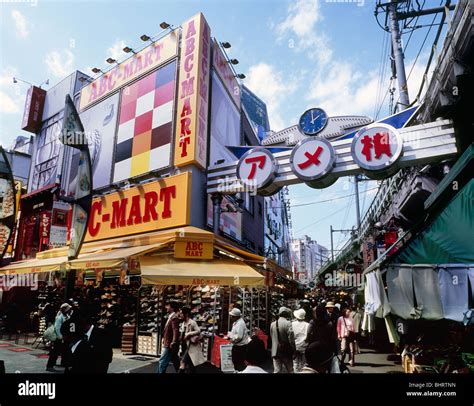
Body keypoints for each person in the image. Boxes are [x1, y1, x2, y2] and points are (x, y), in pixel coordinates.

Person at [179, 306, 206, 373]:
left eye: (182, 313)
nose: (180, 315)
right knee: (191, 366)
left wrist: (189, 334)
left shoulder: (192, 322)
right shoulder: (183, 323)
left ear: (186, 314)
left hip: (191, 347)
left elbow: (198, 331)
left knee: (182, 362)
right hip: (185, 346)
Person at [46, 303, 72, 372]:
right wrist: (60, 337)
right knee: (55, 352)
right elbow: (57, 328)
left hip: (63, 337)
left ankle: (63, 363)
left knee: (62, 351)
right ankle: (50, 365)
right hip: (59, 338)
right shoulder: (59, 317)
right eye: (68, 309)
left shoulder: (66, 316)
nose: (70, 310)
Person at [158, 301, 181, 374]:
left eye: (168, 306)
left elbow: (175, 331)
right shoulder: (171, 316)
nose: (166, 307)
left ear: (172, 308)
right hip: (169, 342)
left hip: (169, 344)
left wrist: (173, 342)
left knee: (162, 361)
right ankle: (181, 371)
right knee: (175, 359)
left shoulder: (174, 318)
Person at [270, 307, 295, 373]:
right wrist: (294, 349)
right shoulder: (288, 323)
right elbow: (291, 339)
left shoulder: (272, 324)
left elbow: (271, 336)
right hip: (285, 351)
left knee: (277, 370)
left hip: (275, 351)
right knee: (290, 370)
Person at [226, 307, 250, 372]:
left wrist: (231, 337)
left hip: (240, 347)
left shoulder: (240, 324)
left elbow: (239, 337)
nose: (231, 317)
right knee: (236, 362)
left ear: (235, 316)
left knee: (239, 363)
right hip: (238, 346)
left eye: (232, 316)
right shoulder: (237, 322)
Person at [292, 308, 309, 372]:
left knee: (295, 363)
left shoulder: (292, 324)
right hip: (304, 346)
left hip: (295, 346)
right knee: (304, 364)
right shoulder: (307, 325)